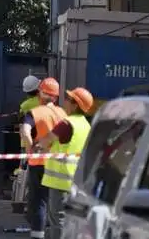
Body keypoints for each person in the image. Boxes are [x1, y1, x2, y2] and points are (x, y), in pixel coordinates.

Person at [36, 87, 93, 239]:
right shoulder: (86, 125)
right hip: (77, 182)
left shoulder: (66, 124)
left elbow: (44, 142)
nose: (65, 102)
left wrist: (39, 145)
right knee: (72, 221)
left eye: (68, 99)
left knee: (57, 220)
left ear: (75, 105)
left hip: (60, 182)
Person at [19, 78, 66, 239]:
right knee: (55, 206)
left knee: (39, 203)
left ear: (40, 93)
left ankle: (37, 236)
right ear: (56, 97)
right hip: (58, 164)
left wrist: (30, 148)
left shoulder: (35, 112)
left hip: (38, 163)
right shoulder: (63, 114)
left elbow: (25, 131)